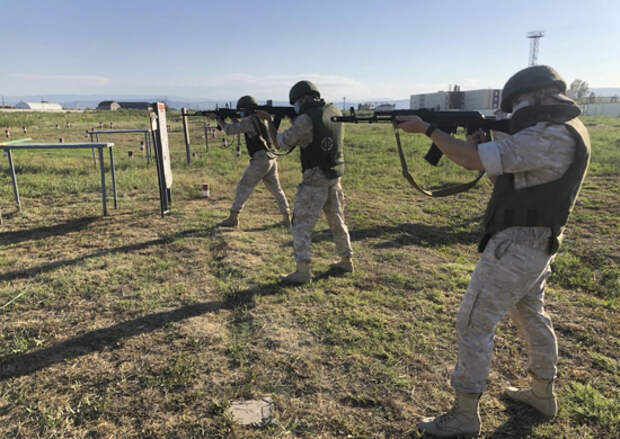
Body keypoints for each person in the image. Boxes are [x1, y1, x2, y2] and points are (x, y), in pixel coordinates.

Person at [396, 65, 590, 438]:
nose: (512, 112)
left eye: (516, 104)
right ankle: (541, 393)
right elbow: (501, 173)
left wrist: (430, 131)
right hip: (534, 241)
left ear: (536, 97)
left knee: (473, 323)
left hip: (518, 244)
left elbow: (472, 162)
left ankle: (465, 415)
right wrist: (479, 142)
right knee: (531, 312)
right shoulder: (562, 131)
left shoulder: (548, 136)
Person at [256, 80, 353, 284]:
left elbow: (281, 144)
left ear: (302, 99)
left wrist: (269, 123)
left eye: (296, 103)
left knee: (300, 225)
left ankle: (303, 271)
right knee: (337, 220)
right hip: (334, 175)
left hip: (315, 178)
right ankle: (346, 259)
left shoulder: (306, 119)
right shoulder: (332, 109)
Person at [209, 95, 290, 229]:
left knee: (244, 186)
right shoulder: (258, 119)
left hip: (260, 159)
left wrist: (218, 118)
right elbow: (242, 127)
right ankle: (287, 217)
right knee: (276, 189)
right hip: (270, 157)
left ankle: (233, 217)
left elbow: (229, 130)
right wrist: (232, 118)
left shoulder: (249, 120)